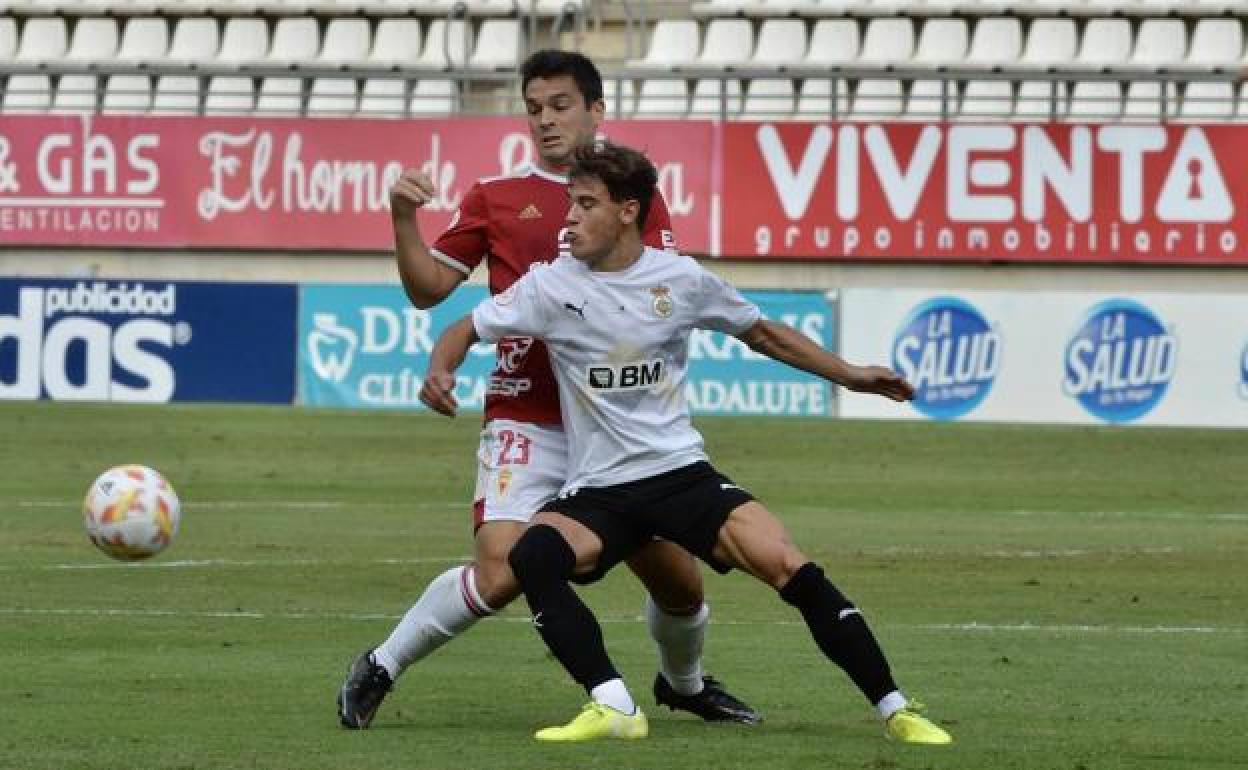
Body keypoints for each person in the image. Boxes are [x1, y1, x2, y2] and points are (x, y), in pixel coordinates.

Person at [418, 140, 954, 746]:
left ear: (627, 210)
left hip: (680, 474)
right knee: (534, 557)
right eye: (569, 202)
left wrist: (852, 375)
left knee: (790, 566)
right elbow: (463, 327)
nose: (568, 217)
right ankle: (613, 704)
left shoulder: (680, 280)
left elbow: (765, 335)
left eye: (585, 203)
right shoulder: (549, 287)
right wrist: (442, 369)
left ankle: (897, 708)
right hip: (598, 490)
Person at [336, 50, 758, 730]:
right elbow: (428, 293)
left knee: (679, 583)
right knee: (501, 571)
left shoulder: (635, 197)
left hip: (618, 429)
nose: (546, 120)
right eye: (534, 108)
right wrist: (400, 219)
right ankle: (382, 665)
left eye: (561, 105)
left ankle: (683, 683)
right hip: (527, 417)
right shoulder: (495, 197)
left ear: (597, 109)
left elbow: (657, 296)